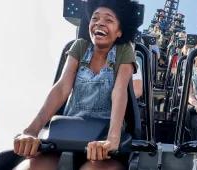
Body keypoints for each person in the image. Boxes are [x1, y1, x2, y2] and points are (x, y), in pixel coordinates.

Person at [13, 0, 140, 169]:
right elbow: (62, 87)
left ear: (119, 32)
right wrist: (31, 131)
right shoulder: (80, 46)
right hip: (67, 130)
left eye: (108, 20)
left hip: (103, 133)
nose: (99, 22)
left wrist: (112, 139)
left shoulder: (124, 50)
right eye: (95, 18)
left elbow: (119, 91)